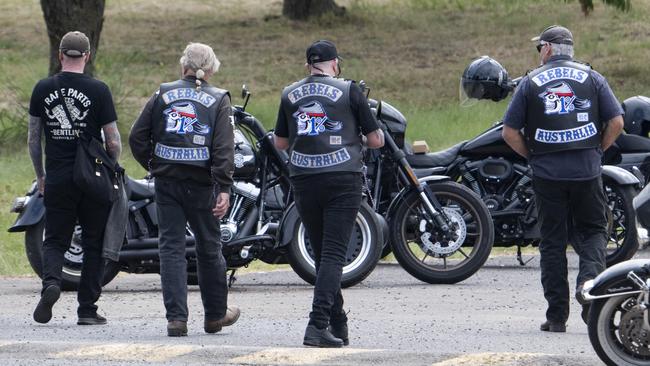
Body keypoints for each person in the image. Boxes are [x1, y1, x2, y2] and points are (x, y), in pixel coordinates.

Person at [502, 25, 624, 332]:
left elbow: (509, 132)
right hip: (586, 170)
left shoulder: (530, 82)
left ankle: (556, 317)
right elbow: (617, 121)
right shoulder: (593, 78)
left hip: (547, 174)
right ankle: (590, 291)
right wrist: (598, 149)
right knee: (594, 231)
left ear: (546, 49)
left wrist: (532, 155)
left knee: (553, 242)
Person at [274, 40, 385, 347]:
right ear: (335, 63)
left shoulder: (289, 93)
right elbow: (376, 140)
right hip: (342, 178)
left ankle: (339, 324)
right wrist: (356, 136)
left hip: (304, 179)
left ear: (308, 65)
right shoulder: (350, 90)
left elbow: (281, 143)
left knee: (324, 255)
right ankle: (317, 324)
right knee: (335, 253)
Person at [129, 42, 239, 337]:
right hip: (204, 186)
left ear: (183, 66)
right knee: (209, 247)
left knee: (171, 249)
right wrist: (224, 186)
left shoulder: (162, 93)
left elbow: (137, 137)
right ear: (212, 68)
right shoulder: (219, 99)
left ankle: (176, 319)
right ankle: (215, 315)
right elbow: (224, 149)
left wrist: (154, 164)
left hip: (167, 183)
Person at [28, 31, 122, 325]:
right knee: (94, 242)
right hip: (92, 177)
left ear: (60, 56)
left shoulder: (42, 88)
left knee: (55, 239)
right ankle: (87, 310)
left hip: (57, 176)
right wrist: (110, 166)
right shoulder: (99, 90)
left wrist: (41, 175)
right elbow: (114, 140)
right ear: (87, 56)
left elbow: (33, 139)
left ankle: (52, 284)